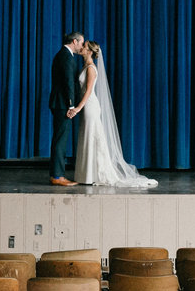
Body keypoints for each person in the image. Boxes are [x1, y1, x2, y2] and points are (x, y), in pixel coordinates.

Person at [71, 41, 157, 187]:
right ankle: (86, 174)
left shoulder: (91, 68)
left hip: (90, 105)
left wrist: (78, 107)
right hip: (87, 106)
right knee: (87, 136)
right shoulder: (85, 66)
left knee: (91, 136)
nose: (81, 48)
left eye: (84, 47)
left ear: (90, 51)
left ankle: (93, 174)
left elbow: (89, 90)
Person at [47, 31, 85, 186]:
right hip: (63, 104)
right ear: (74, 41)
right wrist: (71, 105)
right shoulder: (66, 57)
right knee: (60, 141)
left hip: (60, 103)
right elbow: (68, 82)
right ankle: (57, 176)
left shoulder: (63, 55)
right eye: (82, 43)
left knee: (59, 139)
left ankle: (56, 174)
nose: (82, 46)